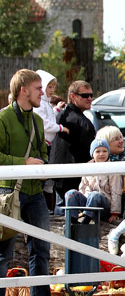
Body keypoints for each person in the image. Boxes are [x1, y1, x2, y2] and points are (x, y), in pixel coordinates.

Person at [0, 69, 66, 296]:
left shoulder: (38, 121)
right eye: (38, 88)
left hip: (35, 192)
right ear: (23, 90)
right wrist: (23, 162)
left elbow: (42, 152)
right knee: (3, 252)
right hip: (8, 192)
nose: (43, 93)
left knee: (41, 250)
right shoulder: (3, 118)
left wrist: (41, 166)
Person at [53, 80, 96, 205]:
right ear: (72, 96)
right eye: (85, 95)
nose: (89, 99)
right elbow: (90, 153)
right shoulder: (83, 123)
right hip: (73, 180)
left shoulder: (58, 116)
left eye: (91, 95)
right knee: (68, 220)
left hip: (57, 177)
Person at [33, 70, 68, 211]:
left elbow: (49, 117)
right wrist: (61, 128)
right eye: (49, 87)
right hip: (42, 145)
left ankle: (48, 208)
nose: (52, 90)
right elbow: (44, 124)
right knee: (42, 179)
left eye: (53, 87)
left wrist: (57, 110)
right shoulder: (40, 104)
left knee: (48, 181)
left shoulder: (46, 103)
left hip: (48, 145)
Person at [64, 139, 123, 224]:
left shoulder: (112, 168)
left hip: (103, 206)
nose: (101, 154)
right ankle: (72, 220)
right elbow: (82, 188)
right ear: (92, 154)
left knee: (95, 195)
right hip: (88, 202)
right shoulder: (88, 167)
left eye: (104, 151)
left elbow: (116, 191)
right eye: (98, 151)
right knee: (71, 193)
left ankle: (86, 221)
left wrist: (115, 212)